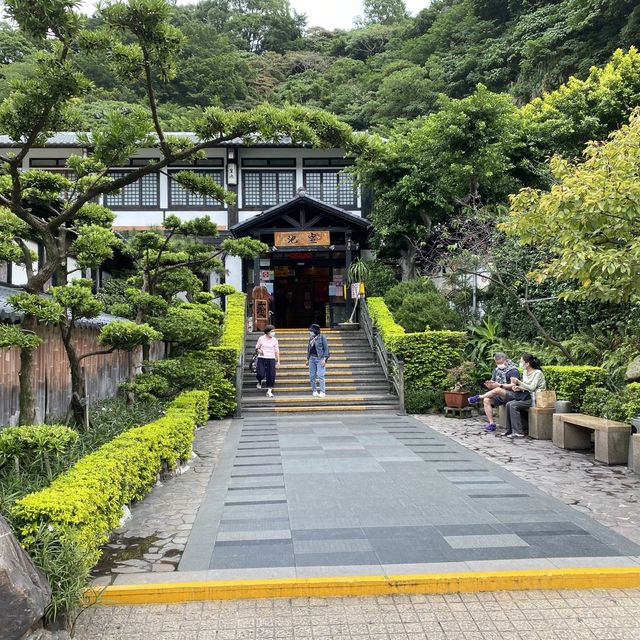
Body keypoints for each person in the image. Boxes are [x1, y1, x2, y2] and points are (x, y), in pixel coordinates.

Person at [469, 353, 519, 432]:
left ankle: (478, 397)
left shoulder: (513, 370)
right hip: (500, 395)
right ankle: (492, 424)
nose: (499, 365)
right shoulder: (496, 370)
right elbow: (493, 381)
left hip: (512, 394)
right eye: (497, 363)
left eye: (500, 363)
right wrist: (490, 385)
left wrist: (500, 385)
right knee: (486, 400)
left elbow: (514, 385)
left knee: (498, 389)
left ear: (505, 360)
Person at [504, 353, 546, 439]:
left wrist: (519, 382)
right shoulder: (525, 372)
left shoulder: (538, 373)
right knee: (509, 404)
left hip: (535, 399)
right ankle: (510, 430)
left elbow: (532, 387)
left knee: (513, 405)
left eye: (521, 361)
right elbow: (525, 387)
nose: (520, 363)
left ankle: (518, 432)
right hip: (526, 397)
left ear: (527, 363)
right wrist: (518, 388)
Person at [255, 324, 280, 398]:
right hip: (262, 358)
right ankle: (259, 381)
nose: (273, 332)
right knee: (261, 374)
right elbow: (257, 348)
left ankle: (269, 391)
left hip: (271, 359)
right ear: (267, 332)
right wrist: (259, 350)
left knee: (271, 375)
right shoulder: (261, 338)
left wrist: (278, 361)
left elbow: (276, 351)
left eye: (274, 331)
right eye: (272, 331)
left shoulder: (275, 340)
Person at [306, 323, 330, 397]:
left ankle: (322, 392)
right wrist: (307, 359)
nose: (310, 332)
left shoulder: (322, 337)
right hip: (312, 358)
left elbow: (326, 349)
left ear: (315, 331)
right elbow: (309, 349)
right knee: (312, 376)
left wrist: (325, 359)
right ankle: (314, 390)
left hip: (320, 358)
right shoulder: (311, 338)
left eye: (311, 331)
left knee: (320, 375)